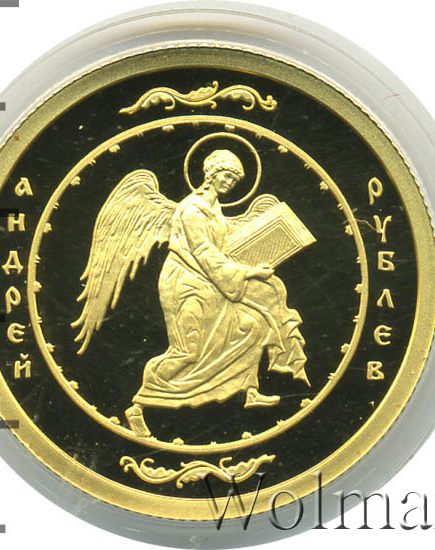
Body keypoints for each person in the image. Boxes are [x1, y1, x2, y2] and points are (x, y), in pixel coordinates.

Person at [125, 150, 308, 438]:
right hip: (186, 283)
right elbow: (203, 251)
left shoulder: (213, 208)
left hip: (210, 281)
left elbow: (220, 246)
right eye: (226, 176)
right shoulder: (193, 209)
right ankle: (138, 407)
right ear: (211, 174)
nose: (230, 183)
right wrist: (248, 272)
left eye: (235, 180)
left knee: (252, 326)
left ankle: (249, 390)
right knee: (187, 352)